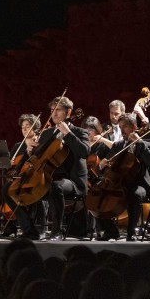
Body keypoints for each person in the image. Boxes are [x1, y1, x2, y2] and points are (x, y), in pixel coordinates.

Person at [93, 112, 150, 240]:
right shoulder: (118, 145)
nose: (122, 130)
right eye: (120, 127)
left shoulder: (148, 144)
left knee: (135, 194)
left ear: (134, 127)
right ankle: (111, 231)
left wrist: (140, 143)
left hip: (139, 183)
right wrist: (102, 165)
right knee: (97, 193)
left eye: (125, 127)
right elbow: (106, 166)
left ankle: (131, 233)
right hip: (118, 183)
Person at [36, 96, 89, 240]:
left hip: (73, 181)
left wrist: (68, 134)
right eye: (52, 110)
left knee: (55, 187)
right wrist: (32, 150)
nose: (54, 114)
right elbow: (39, 159)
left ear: (68, 112)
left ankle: (56, 231)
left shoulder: (79, 132)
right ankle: (30, 229)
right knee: (18, 188)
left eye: (58, 110)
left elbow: (84, 152)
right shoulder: (47, 133)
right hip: (50, 177)